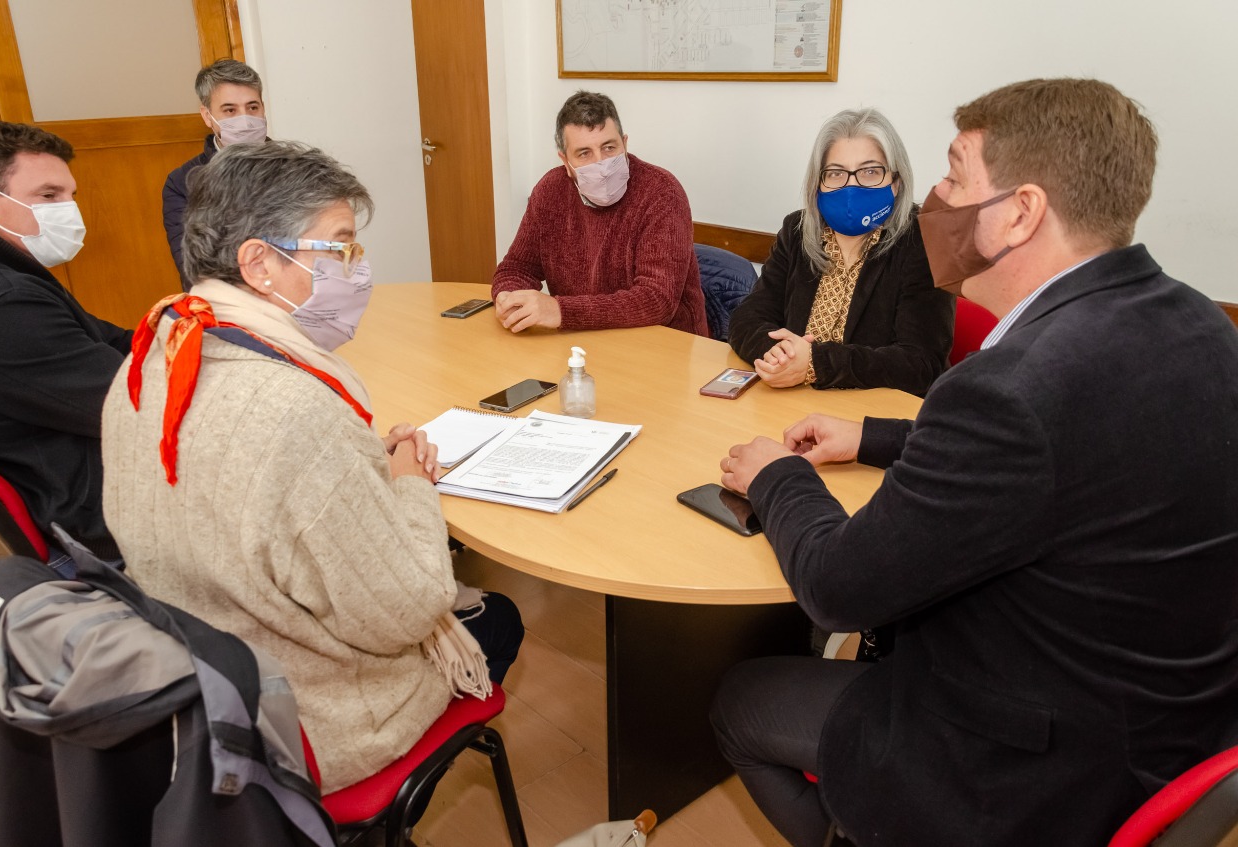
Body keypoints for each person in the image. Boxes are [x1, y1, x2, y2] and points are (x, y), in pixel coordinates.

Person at [710, 78, 1238, 846]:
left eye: (956, 175)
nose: (937, 201)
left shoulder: (1008, 389)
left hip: (1033, 772)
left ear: (1020, 212)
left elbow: (836, 587)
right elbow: (1057, 460)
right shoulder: (1200, 323)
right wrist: (876, 438)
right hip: (1171, 730)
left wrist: (774, 474)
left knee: (741, 701)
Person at [103, 141, 523, 795]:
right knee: (497, 616)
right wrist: (409, 479)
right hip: (307, 721)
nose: (360, 270)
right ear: (259, 263)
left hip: (200, 683)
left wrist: (358, 475)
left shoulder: (149, 355)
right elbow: (410, 610)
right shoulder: (293, 410)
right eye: (341, 246)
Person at [0, 121, 131, 566]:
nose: (70, 211)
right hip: (99, 524)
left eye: (72, 196)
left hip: (72, 486)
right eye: (49, 196)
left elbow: (111, 340)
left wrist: (200, 334)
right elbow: (137, 403)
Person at [728, 108, 953, 396]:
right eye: (836, 173)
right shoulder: (798, 230)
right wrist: (780, 355)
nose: (851, 186)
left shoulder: (921, 240)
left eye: (870, 171)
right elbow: (747, 318)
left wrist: (814, 364)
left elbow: (920, 363)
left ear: (895, 182)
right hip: (790, 399)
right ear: (818, 182)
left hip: (872, 417)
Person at [491, 90, 708, 335]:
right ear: (565, 161)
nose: (601, 164)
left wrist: (560, 311)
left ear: (624, 144)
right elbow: (517, 268)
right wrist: (509, 298)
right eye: (584, 153)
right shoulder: (550, 190)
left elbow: (656, 300)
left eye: (609, 148)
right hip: (582, 342)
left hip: (664, 346)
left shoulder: (662, 192)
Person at [162, 58, 268, 289]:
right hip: (230, 305)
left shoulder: (298, 169)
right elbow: (194, 270)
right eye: (230, 110)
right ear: (207, 116)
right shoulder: (182, 183)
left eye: (252, 107)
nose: (245, 120)